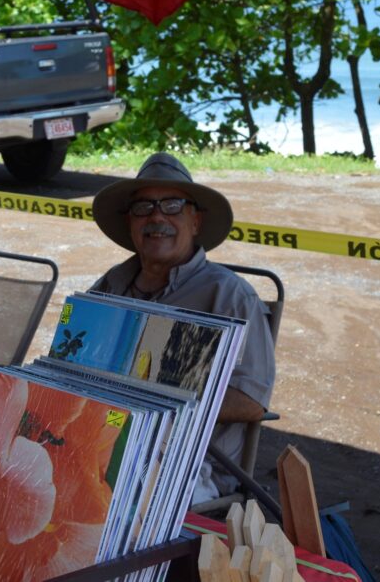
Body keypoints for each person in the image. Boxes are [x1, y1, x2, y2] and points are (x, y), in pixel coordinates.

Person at [90, 152, 276, 500]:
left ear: (195, 221)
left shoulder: (228, 294)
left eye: (172, 205)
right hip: (104, 436)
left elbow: (251, 401)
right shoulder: (112, 284)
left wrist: (152, 405)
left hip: (188, 463)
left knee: (106, 491)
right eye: (143, 208)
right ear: (131, 222)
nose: (157, 216)